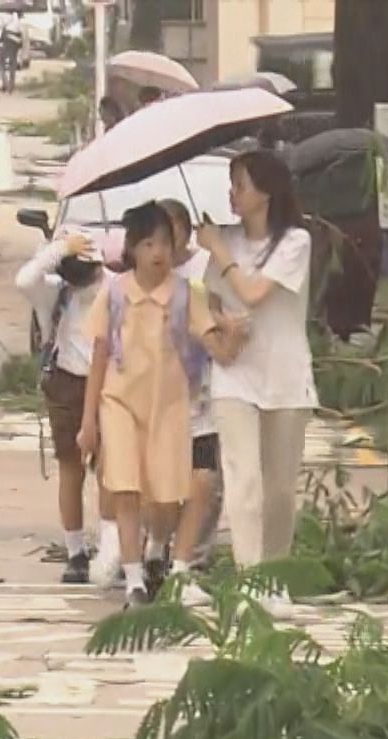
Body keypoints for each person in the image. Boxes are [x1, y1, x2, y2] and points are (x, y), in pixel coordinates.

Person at [77, 203, 228, 608]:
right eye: (148, 243)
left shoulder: (184, 295)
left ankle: (157, 548)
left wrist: (231, 329)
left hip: (170, 409)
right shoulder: (114, 294)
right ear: (132, 249)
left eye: (164, 242)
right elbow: (99, 354)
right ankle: (134, 581)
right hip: (120, 404)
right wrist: (88, 420)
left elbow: (214, 343)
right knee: (125, 488)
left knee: (164, 498)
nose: (158, 252)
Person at [197, 150, 315, 613]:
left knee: (280, 488)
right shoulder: (222, 242)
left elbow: (254, 293)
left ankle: (275, 575)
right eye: (231, 184)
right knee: (243, 481)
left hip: (286, 376)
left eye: (240, 185)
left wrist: (221, 254)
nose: (232, 194)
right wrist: (224, 325)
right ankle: (251, 580)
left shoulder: (294, 243)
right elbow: (209, 301)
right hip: (235, 375)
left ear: (265, 192)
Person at [16, 229, 111, 585]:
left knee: (111, 474)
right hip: (67, 385)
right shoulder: (55, 294)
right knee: (72, 469)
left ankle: (110, 547)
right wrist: (59, 249)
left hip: (110, 386)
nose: (87, 282)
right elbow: (24, 278)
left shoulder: (114, 287)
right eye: (77, 274)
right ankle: (75, 552)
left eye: (90, 272)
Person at [159, 199, 227, 600]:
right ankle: (156, 554)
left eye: (172, 232)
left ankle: (190, 561)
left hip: (202, 392)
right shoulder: (145, 275)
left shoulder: (204, 268)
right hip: (160, 396)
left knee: (204, 478)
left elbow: (218, 314)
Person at [0, 12, 23, 93]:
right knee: (12, 65)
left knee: (1, 64)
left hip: (6, 42)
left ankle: (5, 84)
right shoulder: (19, 22)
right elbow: (20, 39)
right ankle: (11, 86)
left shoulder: (6, 17)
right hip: (14, 45)